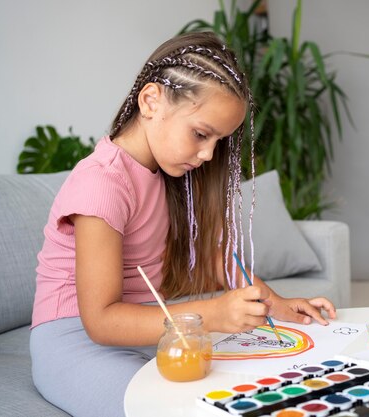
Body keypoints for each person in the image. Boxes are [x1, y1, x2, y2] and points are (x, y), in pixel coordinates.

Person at [29, 31, 336, 417]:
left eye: (218, 141)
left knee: (256, 391)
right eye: (201, 134)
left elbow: (213, 258)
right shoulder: (101, 183)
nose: (208, 154)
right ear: (151, 101)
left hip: (147, 336)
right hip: (75, 343)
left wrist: (277, 305)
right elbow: (101, 321)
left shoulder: (167, 176)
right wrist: (213, 314)